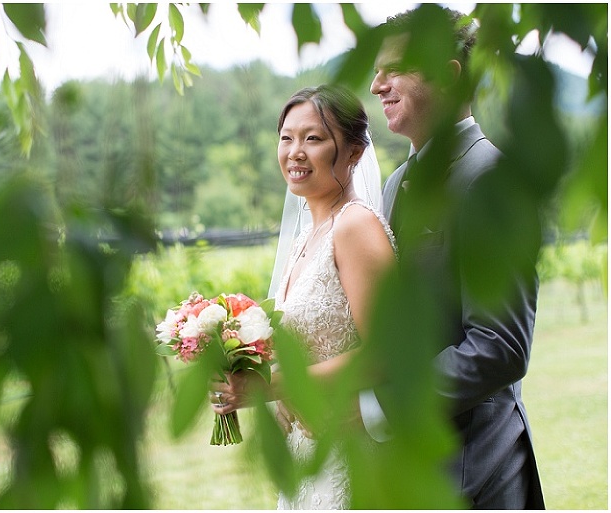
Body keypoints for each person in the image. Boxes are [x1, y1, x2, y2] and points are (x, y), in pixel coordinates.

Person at [366, 7, 545, 509]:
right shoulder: (397, 183)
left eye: (394, 69)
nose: (377, 84)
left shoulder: (495, 184)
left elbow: (498, 347)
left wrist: (382, 405)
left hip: (473, 467)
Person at [211, 85, 397, 510]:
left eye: (313, 138)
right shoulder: (303, 239)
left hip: (351, 449)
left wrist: (267, 386)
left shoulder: (355, 228)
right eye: (286, 137)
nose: (295, 151)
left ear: (352, 152)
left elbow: (385, 353)